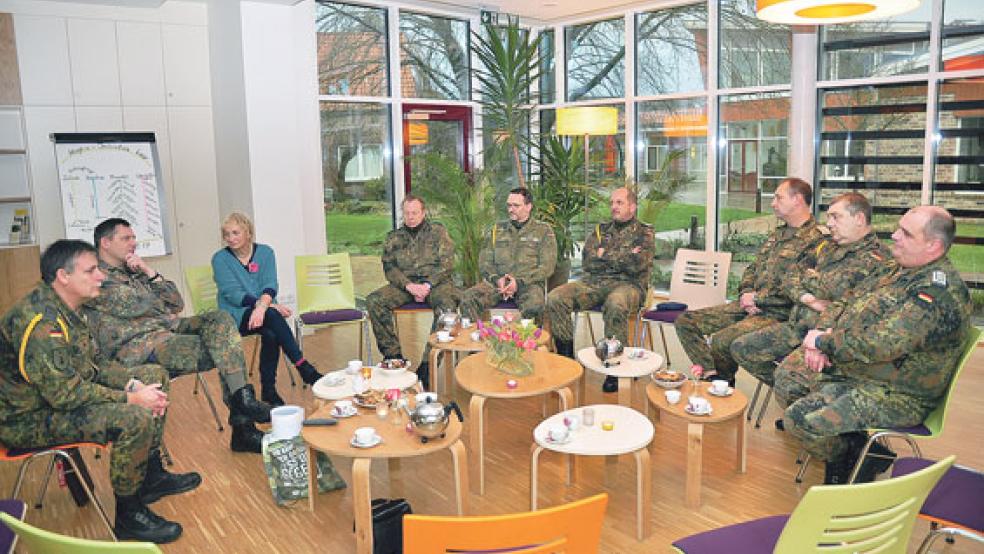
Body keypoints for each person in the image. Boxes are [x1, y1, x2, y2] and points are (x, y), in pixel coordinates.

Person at [0, 240, 201, 543]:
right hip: (26, 420)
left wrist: (133, 384)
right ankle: (129, 514)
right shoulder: (42, 323)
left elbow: (93, 367)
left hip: (52, 402)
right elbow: (65, 395)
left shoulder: (70, 308)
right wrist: (131, 398)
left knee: (152, 375)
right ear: (63, 276)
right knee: (134, 417)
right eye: (91, 270)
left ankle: (149, 476)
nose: (101, 276)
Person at [778, 206, 971, 484]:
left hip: (898, 394)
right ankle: (858, 452)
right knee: (792, 387)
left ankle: (852, 459)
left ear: (933, 246)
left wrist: (822, 341)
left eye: (906, 233)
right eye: (897, 228)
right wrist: (820, 335)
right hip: (865, 372)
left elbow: (880, 344)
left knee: (802, 421)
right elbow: (846, 299)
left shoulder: (936, 293)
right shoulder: (896, 268)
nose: (894, 236)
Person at [85, 218, 272, 454]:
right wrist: (156, 297)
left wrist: (149, 272)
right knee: (226, 348)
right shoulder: (97, 276)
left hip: (167, 328)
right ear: (105, 243)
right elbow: (137, 306)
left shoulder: (135, 269)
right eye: (126, 238)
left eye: (134, 237)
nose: (133, 243)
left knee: (221, 320)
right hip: (140, 345)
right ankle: (243, 424)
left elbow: (176, 302)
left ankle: (243, 402)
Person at [730, 192, 894, 391]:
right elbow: (789, 278)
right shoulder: (826, 246)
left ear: (859, 219)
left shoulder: (879, 259)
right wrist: (808, 298)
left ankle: (802, 401)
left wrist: (811, 278)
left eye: (836, 217)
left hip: (829, 336)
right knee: (741, 348)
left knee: (788, 378)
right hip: (797, 326)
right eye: (829, 217)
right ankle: (795, 398)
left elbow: (836, 290)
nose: (830, 223)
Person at [674, 177, 825, 385]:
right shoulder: (778, 234)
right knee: (686, 321)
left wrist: (758, 300)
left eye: (778, 198)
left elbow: (798, 286)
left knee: (722, 340)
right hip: (750, 304)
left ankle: (723, 387)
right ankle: (712, 376)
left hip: (777, 313)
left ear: (797, 200)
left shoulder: (817, 240)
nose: (773, 203)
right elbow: (753, 268)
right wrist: (746, 292)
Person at [546, 187, 655, 393]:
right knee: (556, 297)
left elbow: (637, 265)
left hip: (630, 285)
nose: (613, 207)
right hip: (594, 282)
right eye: (612, 202)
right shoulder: (600, 230)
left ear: (632, 206)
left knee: (616, 303)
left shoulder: (645, 232)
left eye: (619, 203)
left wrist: (604, 255)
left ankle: (615, 368)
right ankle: (566, 359)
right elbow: (588, 262)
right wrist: (623, 255)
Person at [212, 212, 322, 407]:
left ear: (249, 233)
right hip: (234, 315)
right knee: (272, 316)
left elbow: (270, 284)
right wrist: (266, 306)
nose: (230, 238)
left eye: (236, 233)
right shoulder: (220, 259)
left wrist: (263, 307)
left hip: (262, 313)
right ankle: (303, 367)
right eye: (226, 234)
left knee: (271, 334)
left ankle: (269, 391)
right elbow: (232, 294)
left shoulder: (265, 253)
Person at [366, 196, 458, 389]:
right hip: (406, 285)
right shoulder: (394, 237)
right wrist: (409, 286)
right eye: (407, 213)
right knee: (374, 301)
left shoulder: (438, 232)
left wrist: (427, 285)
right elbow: (389, 268)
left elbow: (447, 264)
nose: (411, 217)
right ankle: (394, 358)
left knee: (447, 307)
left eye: (415, 213)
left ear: (423, 213)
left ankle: (427, 364)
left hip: (436, 284)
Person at [459, 187, 557, 323]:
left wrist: (518, 283)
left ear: (528, 207)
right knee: (468, 298)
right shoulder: (496, 230)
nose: (511, 209)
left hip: (529, 285)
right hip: (497, 284)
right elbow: (484, 262)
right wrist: (497, 279)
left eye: (516, 205)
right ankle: (478, 338)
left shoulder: (543, 231)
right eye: (509, 205)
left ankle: (521, 341)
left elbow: (547, 267)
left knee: (535, 304)